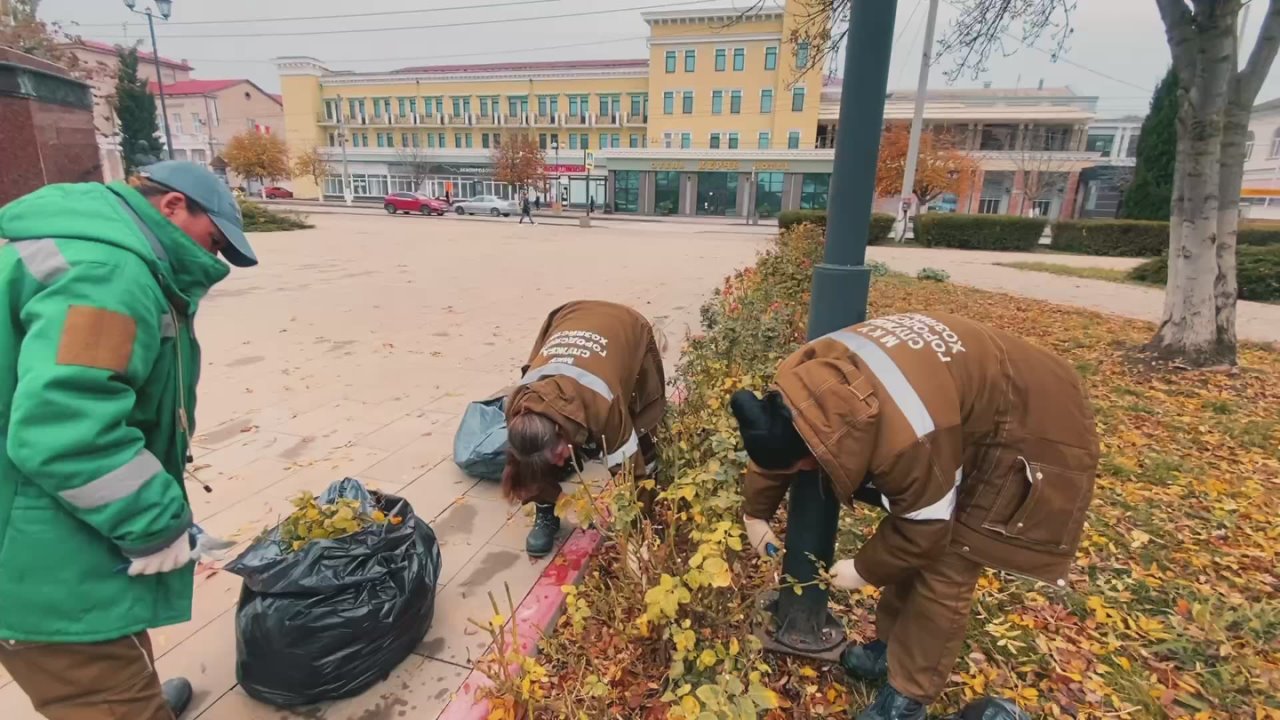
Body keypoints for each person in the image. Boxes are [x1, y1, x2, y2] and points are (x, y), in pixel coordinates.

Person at [729, 312, 1098, 720]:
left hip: (1030, 411)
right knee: (909, 554)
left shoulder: (910, 441)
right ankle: (890, 650)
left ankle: (908, 697)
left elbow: (924, 529)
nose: (799, 475)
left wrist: (865, 568)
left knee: (948, 560)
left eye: (802, 467)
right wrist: (755, 512)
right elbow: (781, 443)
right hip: (958, 389)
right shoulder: (800, 381)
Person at [0, 161, 257, 720]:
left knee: (113, 640)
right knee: (98, 687)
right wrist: (156, 523)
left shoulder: (83, 244)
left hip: (34, 515)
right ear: (171, 206)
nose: (213, 261)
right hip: (33, 552)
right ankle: (118, 698)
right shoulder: (107, 273)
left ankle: (127, 685)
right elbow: (66, 429)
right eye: (213, 241)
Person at [503, 300, 666, 557]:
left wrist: (632, 531)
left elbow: (630, 471)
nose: (558, 463)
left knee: (643, 431)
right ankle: (546, 513)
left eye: (556, 453)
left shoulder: (604, 403)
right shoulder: (518, 409)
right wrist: (562, 503)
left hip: (625, 326)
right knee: (538, 461)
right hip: (565, 317)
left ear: (558, 428)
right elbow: (524, 470)